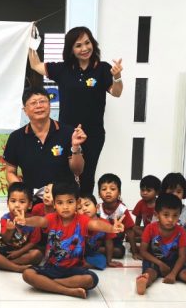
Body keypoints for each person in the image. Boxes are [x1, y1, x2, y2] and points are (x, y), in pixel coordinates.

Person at [29, 26, 123, 195]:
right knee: (64, 174)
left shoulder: (102, 69)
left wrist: (117, 77)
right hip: (66, 133)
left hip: (93, 134)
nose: (84, 48)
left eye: (87, 43)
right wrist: (30, 40)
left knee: (87, 175)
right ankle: (64, 208)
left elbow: (116, 92)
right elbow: (35, 65)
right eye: (78, 45)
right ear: (71, 49)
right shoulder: (63, 69)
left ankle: (85, 206)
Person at [17, 181, 125, 299]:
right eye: (60, 203)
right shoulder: (51, 218)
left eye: (70, 202)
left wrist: (111, 228)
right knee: (27, 274)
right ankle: (67, 290)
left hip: (75, 269)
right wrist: (26, 221)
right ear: (54, 204)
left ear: (77, 203)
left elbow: (96, 224)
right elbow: (39, 220)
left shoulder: (82, 220)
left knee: (91, 279)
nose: (65, 207)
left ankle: (48, 284)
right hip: (51, 268)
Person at [3, 87, 87, 196]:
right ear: (25, 110)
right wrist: (23, 193)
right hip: (32, 198)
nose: (39, 106)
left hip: (63, 198)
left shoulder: (68, 132)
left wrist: (75, 147)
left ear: (49, 105)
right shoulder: (16, 138)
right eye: (33, 103)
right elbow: (10, 172)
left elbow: (78, 170)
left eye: (42, 101)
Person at [0, 182, 43, 273]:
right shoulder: (5, 219)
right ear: (8, 203)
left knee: (37, 254)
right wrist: (9, 230)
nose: (17, 205)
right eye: (13, 201)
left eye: (22, 202)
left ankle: (2, 263)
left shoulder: (33, 221)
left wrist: (19, 252)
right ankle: (17, 268)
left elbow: (33, 242)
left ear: (30, 205)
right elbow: (5, 240)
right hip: (7, 249)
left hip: (24, 251)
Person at [97, 173, 136, 260]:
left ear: (119, 193)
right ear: (99, 194)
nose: (108, 192)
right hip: (101, 240)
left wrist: (134, 252)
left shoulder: (122, 209)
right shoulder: (98, 209)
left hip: (116, 241)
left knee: (119, 252)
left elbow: (130, 231)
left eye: (112, 189)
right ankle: (103, 250)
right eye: (104, 189)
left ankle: (101, 251)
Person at [79, 193, 117, 270]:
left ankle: (85, 264)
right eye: (79, 208)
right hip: (78, 253)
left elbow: (109, 242)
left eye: (87, 205)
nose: (84, 209)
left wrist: (109, 261)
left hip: (92, 253)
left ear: (97, 207)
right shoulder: (77, 224)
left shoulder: (104, 223)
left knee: (102, 261)